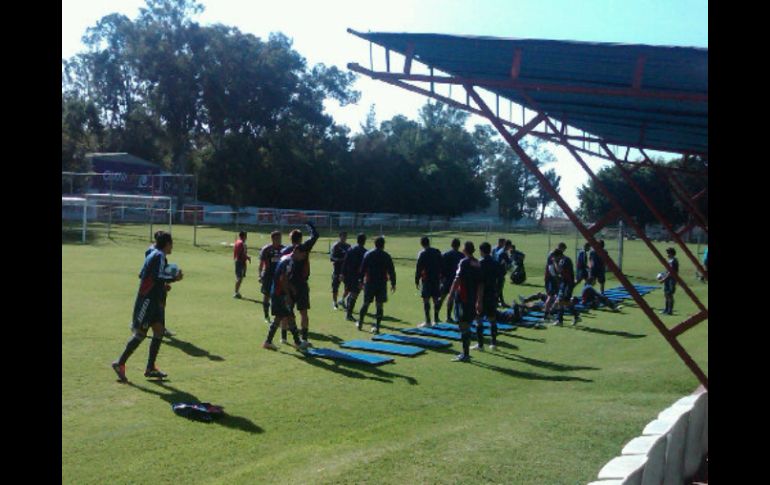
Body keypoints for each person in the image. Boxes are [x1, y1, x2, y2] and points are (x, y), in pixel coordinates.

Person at [112, 232, 183, 382]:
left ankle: (150, 368)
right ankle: (120, 363)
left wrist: (162, 287)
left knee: (158, 331)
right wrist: (174, 278)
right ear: (167, 244)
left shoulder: (154, 253)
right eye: (171, 244)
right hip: (147, 301)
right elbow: (156, 276)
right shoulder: (158, 256)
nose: (172, 247)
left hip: (155, 301)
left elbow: (145, 275)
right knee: (140, 334)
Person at [262, 247, 309, 351]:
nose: (303, 258)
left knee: (281, 317)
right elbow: (282, 278)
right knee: (289, 315)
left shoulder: (285, 258)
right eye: (302, 255)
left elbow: (284, 277)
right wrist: (288, 295)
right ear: (296, 252)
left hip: (277, 291)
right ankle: (297, 342)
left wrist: (291, 288)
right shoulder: (289, 262)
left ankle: (268, 341)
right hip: (280, 293)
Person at [280, 222, 320, 347]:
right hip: (301, 284)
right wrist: (311, 226)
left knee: (287, 311)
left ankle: (284, 337)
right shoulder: (303, 247)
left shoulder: (285, 250)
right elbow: (315, 236)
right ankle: (304, 338)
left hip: (288, 284)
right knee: (303, 312)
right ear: (300, 239)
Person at [448, 241, 481, 362]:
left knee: (463, 325)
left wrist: (450, 295)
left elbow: (457, 279)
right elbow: (480, 283)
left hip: (463, 298)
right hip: (473, 297)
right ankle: (466, 352)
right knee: (467, 323)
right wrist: (479, 299)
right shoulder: (477, 263)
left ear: (464, 250)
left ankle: (465, 354)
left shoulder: (464, 262)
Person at [357, 236, 396, 334]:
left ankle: (360, 323)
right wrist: (393, 283)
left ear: (375, 244)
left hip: (370, 283)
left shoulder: (368, 254)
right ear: (383, 245)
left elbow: (362, 269)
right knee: (379, 305)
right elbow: (391, 271)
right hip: (381, 283)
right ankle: (377, 327)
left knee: (366, 303)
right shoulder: (386, 255)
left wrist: (360, 281)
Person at [147, 231, 175, 337]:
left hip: (157, 285)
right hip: (154, 287)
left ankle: (160, 327)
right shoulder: (156, 254)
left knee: (159, 306)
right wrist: (171, 279)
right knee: (157, 306)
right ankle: (138, 325)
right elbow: (155, 273)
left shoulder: (155, 252)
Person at [473, 242, 499, 351]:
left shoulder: (480, 263)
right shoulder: (495, 262)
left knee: (479, 319)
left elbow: (478, 281)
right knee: (492, 319)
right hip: (492, 293)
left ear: (481, 251)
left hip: (482, 294)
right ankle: (493, 343)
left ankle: (480, 345)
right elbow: (499, 278)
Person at [415, 236, 443, 327]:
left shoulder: (422, 254)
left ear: (422, 244)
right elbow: (441, 264)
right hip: (436, 279)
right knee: (436, 299)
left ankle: (428, 321)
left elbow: (419, 268)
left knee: (426, 299)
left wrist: (417, 279)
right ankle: (436, 319)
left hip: (426, 279)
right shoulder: (437, 251)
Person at [259, 231, 285, 324]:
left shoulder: (284, 249)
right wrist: (260, 275)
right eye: (278, 238)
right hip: (268, 275)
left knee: (279, 296)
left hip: (279, 276)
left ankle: (278, 316)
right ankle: (266, 315)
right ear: (273, 239)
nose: (279, 240)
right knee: (266, 295)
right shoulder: (266, 249)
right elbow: (261, 263)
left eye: (280, 238)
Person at [437, 238, 464, 323]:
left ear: (451, 245)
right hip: (455, 280)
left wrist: (441, 279)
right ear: (459, 245)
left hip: (446, 279)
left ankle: (436, 315)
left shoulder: (446, 254)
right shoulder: (461, 256)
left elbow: (440, 267)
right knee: (451, 298)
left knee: (441, 298)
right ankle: (448, 317)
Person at [341, 233, 367, 322]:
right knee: (354, 294)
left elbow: (345, 262)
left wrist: (342, 274)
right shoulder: (364, 252)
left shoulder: (350, 249)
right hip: (358, 276)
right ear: (364, 241)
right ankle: (348, 314)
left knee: (351, 293)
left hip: (348, 275)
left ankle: (348, 311)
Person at [552, 249, 581, 326]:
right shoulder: (563, 260)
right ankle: (560, 320)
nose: (554, 258)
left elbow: (559, 270)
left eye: (555, 257)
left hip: (568, 283)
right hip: (564, 283)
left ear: (558, 255)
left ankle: (575, 316)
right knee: (561, 301)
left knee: (565, 302)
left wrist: (555, 262)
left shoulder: (565, 260)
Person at [543, 242, 567, 319]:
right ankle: (546, 314)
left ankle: (551, 311)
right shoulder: (552, 255)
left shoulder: (557, 255)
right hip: (550, 278)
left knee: (556, 295)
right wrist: (556, 278)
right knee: (550, 296)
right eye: (563, 249)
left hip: (553, 277)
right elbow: (551, 269)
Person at [329, 231, 351, 310]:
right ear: (340, 236)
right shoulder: (336, 246)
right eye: (343, 236)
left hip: (346, 271)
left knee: (348, 287)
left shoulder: (348, 246)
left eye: (345, 236)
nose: (344, 238)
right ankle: (334, 303)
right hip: (337, 270)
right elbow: (331, 258)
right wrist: (341, 260)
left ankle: (342, 300)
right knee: (335, 287)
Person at [660, 247, 679, 315]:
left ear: (671, 253)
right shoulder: (670, 260)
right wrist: (662, 275)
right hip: (667, 280)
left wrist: (664, 279)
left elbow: (671, 272)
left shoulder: (674, 261)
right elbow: (667, 271)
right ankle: (666, 309)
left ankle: (670, 311)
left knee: (669, 294)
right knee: (666, 294)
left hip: (672, 280)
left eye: (668, 253)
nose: (667, 254)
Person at [495, 240, 513, 307]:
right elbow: (509, 263)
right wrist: (511, 256)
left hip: (496, 272)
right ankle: (495, 302)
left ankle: (502, 302)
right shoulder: (504, 253)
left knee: (499, 288)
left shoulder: (499, 251)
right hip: (500, 273)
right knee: (499, 289)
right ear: (508, 246)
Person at [233, 231, 251, 299]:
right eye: (246, 236)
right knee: (239, 278)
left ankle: (237, 292)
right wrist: (247, 257)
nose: (246, 238)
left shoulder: (237, 242)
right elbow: (241, 254)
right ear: (244, 236)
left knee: (239, 277)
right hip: (240, 262)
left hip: (238, 261)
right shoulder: (242, 243)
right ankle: (236, 292)